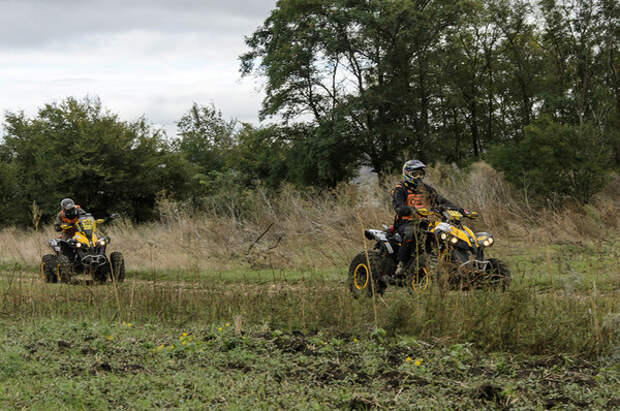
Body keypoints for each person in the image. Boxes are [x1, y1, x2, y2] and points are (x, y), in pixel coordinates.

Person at [392, 160, 462, 276]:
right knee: (412, 232)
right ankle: (402, 264)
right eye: (415, 174)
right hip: (405, 222)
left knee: (446, 232)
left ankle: (452, 262)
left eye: (420, 174)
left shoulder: (426, 189)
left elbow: (441, 201)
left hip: (425, 222)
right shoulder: (400, 189)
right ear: (406, 173)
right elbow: (398, 207)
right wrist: (413, 210)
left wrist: (457, 209)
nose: (418, 177)